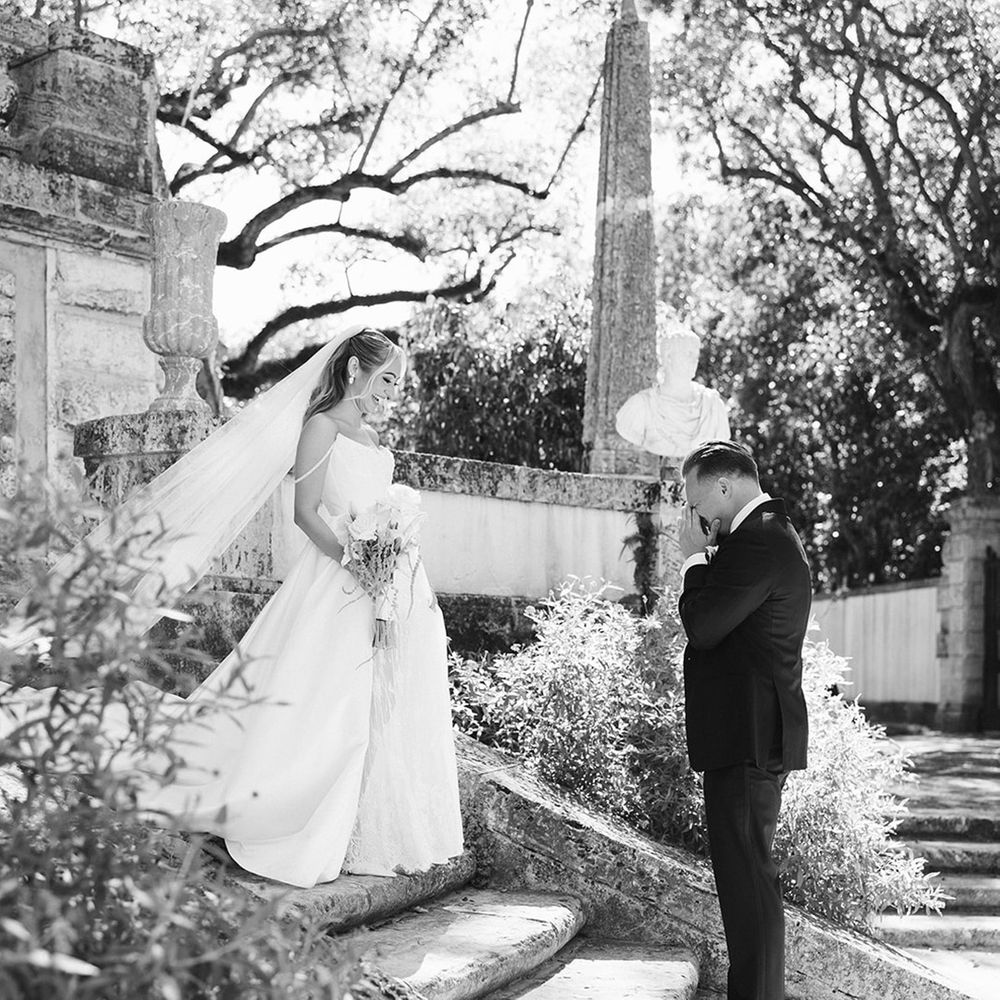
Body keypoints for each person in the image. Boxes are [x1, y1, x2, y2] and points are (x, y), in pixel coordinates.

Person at [3, 327, 465, 890]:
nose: (393, 392)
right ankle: (294, 818)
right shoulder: (321, 427)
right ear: (353, 371)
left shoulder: (369, 437)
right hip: (337, 583)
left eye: (398, 382)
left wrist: (391, 555)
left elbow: (376, 508)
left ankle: (355, 830)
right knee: (327, 708)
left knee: (368, 708)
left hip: (385, 585)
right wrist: (357, 560)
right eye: (387, 378)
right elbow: (306, 512)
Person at [676, 440, 811, 1000]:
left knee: (749, 886)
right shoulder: (762, 536)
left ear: (725, 487)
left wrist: (689, 558)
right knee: (747, 885)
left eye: (693, 501)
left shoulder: (758, 542)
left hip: (749, 739)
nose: (692, 515)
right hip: (749, 735)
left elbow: (704, 624)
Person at [615, 313, 730, 460]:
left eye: (695, 355)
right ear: (668, 357)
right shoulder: (640, 406)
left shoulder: (712, 406)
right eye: (687, 354)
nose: (694, 360)